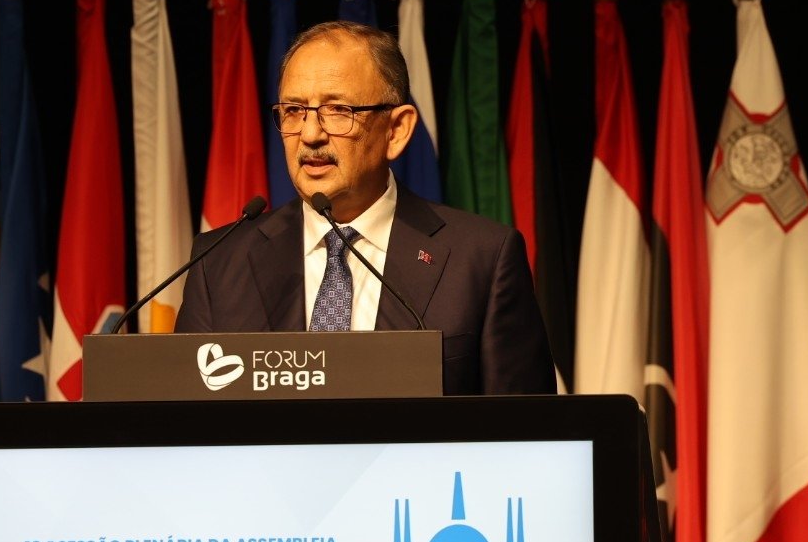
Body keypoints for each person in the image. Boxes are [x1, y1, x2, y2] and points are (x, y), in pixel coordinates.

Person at [176, 20, 556, 396]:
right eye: (294, 110)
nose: (310, 135)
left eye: (338, 110)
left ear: (396, 131)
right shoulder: (219, 263)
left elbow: (529, 433)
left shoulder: (481, 260)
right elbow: (183, 428)